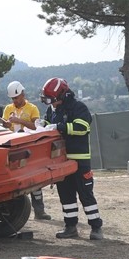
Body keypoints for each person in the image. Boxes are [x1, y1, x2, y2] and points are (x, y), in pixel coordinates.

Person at [41, 77, 104, 240]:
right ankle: (70, 227)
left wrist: (60, 127)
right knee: (65, 194)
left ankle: (96, 227)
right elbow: (47, 123)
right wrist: (41, 125)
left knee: (86, 194)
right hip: (61, 160)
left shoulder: (78, 107)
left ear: (62, 95)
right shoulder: (52, 110)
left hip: (79, 159)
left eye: (52, 100)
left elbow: (82, 128)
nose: (51, 104)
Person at [3, 80, 50, 220]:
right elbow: (7, 127)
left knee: (34, 180)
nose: (15, 101)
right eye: (12, 98)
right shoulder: (8, 109)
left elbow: (37, 127)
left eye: (16, 97)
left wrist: (20, 121)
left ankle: (39, 211)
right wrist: (6, 123)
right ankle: (14, 213)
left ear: (23, 94)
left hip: (29, 147)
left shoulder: (32, 108)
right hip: (14, 148)